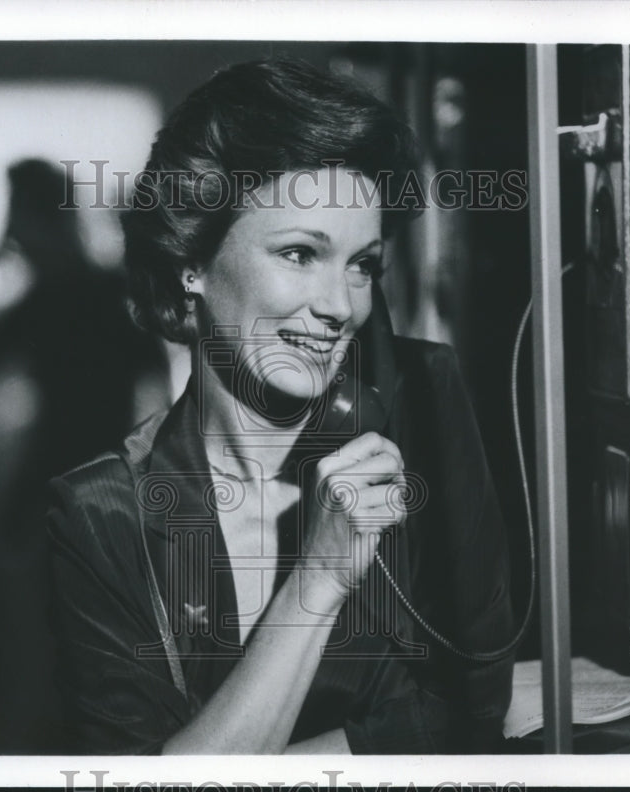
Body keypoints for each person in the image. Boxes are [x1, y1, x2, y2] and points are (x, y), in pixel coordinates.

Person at [46, 58, 514, 755]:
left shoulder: (419, 405)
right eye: (300, 253)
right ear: (192, 262)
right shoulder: (101, 514)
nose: (338, 306)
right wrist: (319, 577)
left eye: (363, 265)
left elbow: (472, 707)